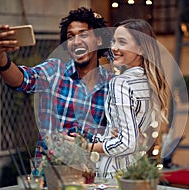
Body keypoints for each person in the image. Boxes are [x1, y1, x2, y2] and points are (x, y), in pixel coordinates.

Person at [0, 7, 113, 159]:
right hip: (49, 174)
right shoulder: (55, 71)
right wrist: (1, 57)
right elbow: (22, 79)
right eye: (70, 36)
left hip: (90, 176)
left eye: (84, 35)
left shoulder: (111, 84)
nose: (76, 41)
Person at [69, 19, 170, 177]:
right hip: (134, 171)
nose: (114, 48)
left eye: (122, 42)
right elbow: (137, 138)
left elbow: (126, 143)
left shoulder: (121, 83)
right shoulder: (150, 81)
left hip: (113, 172)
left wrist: (85, 146)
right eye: (114, 41)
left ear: (142, 48)